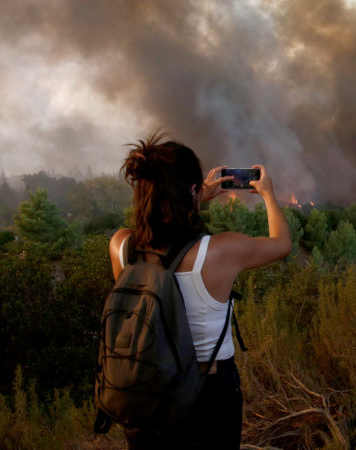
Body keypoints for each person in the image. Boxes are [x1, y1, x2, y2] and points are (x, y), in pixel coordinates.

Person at [108, 133, 292, 449]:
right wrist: (269, 195)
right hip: (207, 396)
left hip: (146, 394)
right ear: (193, 190)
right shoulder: (220, 251)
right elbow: (282, 244)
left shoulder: (121, 245)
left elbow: (155, 240)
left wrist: (193, 197)